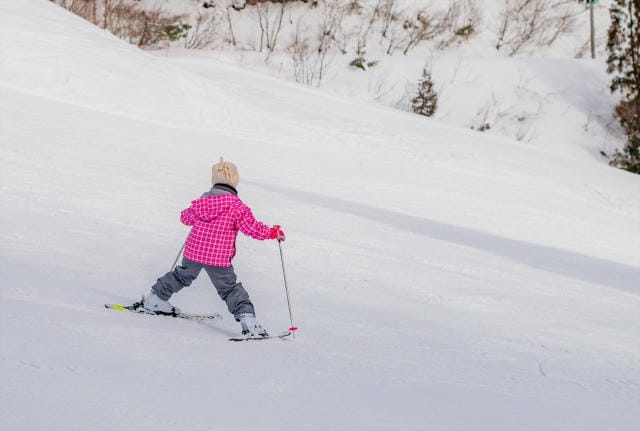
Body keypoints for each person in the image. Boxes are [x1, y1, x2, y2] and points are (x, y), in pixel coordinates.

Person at [143, 157, 285, 337]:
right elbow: (252, 228)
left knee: (181, 276)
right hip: (218, 257)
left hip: (194, 251)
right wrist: (273, 233)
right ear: (235, 181)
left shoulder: (201, 202)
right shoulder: (237, 207)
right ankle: (248, 320)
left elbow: (185, 218)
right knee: (229, 288)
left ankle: (155, 299)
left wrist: (194, 214)